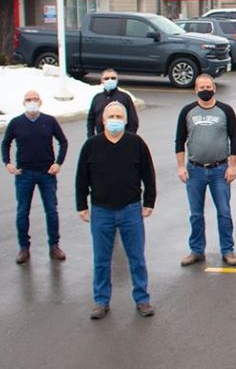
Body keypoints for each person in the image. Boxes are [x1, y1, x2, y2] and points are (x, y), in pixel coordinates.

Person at [76, 101, 156, 320]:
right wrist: (81, 204)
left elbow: (148, 173)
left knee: (136, 257)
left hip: (131, 209)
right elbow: (82, 177)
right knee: (101, 259)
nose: (114, 121)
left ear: (126, 120)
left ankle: (142, 298)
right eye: (110, 117)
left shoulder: (136, 143)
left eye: (118, 117)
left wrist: (149, 201)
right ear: (103, 120)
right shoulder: (91, 145)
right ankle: (101, 301)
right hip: (102, 210)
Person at [175, 74, 236, 267]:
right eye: (201, 87)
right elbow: (179, 140)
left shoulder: (225, 110)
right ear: (195, 89)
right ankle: (196, 250)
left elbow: (234, 139)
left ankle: (227, 250)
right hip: (194, 170)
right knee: (196, 214)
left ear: (214, 88)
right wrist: (180, 166)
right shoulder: (187, 111)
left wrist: (233, 166)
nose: (205, 90)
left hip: (219, 170)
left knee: (224, 212)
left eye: (208, 86)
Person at [1, 90, 69, 264]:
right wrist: (7, 163)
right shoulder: (16, 123)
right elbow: (6, 142)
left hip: (47, 173)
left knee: (51, 210)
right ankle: (24, 247)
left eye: (35, 99)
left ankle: (54, 245)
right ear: (23, 103)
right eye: (28, 99)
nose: (32, 102)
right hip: (24, 173)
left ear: (41, 102)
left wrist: (58, 163)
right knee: (22, 212)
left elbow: (63, 141)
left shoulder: (49, 121)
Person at [86, 68, 139, 137]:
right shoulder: (97, 98)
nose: (110, 80)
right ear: (102, 81)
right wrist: (91, 137)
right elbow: (91, 121)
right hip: (101, 139)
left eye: (113, 78)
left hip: (121, 139)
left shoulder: (125, 97)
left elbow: (133, 121)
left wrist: (129, 138)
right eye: (106, 78)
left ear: (117, 81)